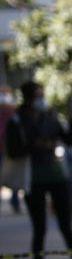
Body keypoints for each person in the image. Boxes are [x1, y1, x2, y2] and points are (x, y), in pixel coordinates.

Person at [6, 82, 72, 259]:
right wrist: (35, 146)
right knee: (39, 228)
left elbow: (68, 139)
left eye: (43, 94)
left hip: (56, 175)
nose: (42, 99)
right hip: (33, 178)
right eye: (37, 95)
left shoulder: (50, 116)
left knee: (66, 225)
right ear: (27, 98)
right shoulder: (16, 120)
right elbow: (12, 151)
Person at [0, 84, 21, 213]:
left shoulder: (14, 111)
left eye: (5, 94)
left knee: (13, 177)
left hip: (11, 150)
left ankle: (15, 202)